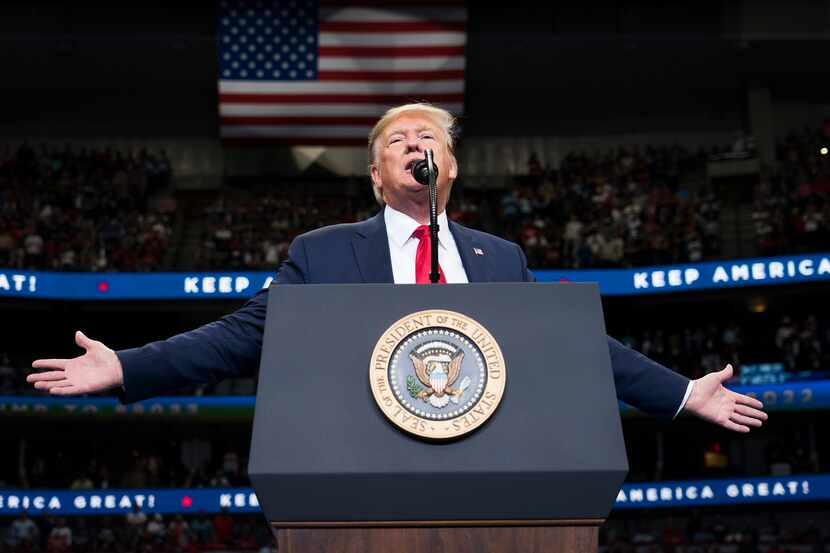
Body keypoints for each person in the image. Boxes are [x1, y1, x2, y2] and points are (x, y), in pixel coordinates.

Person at [28, 103, 766, 431]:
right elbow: (240, 336)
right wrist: (127, 366)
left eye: (432, 137)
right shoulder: (323, 251)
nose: (418, 143)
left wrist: (679, 394)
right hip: (351, 456)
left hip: (486, 457)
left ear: (449, 167)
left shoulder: (498, 256)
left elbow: (571, 341)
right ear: (378, 176)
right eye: (399, 138)